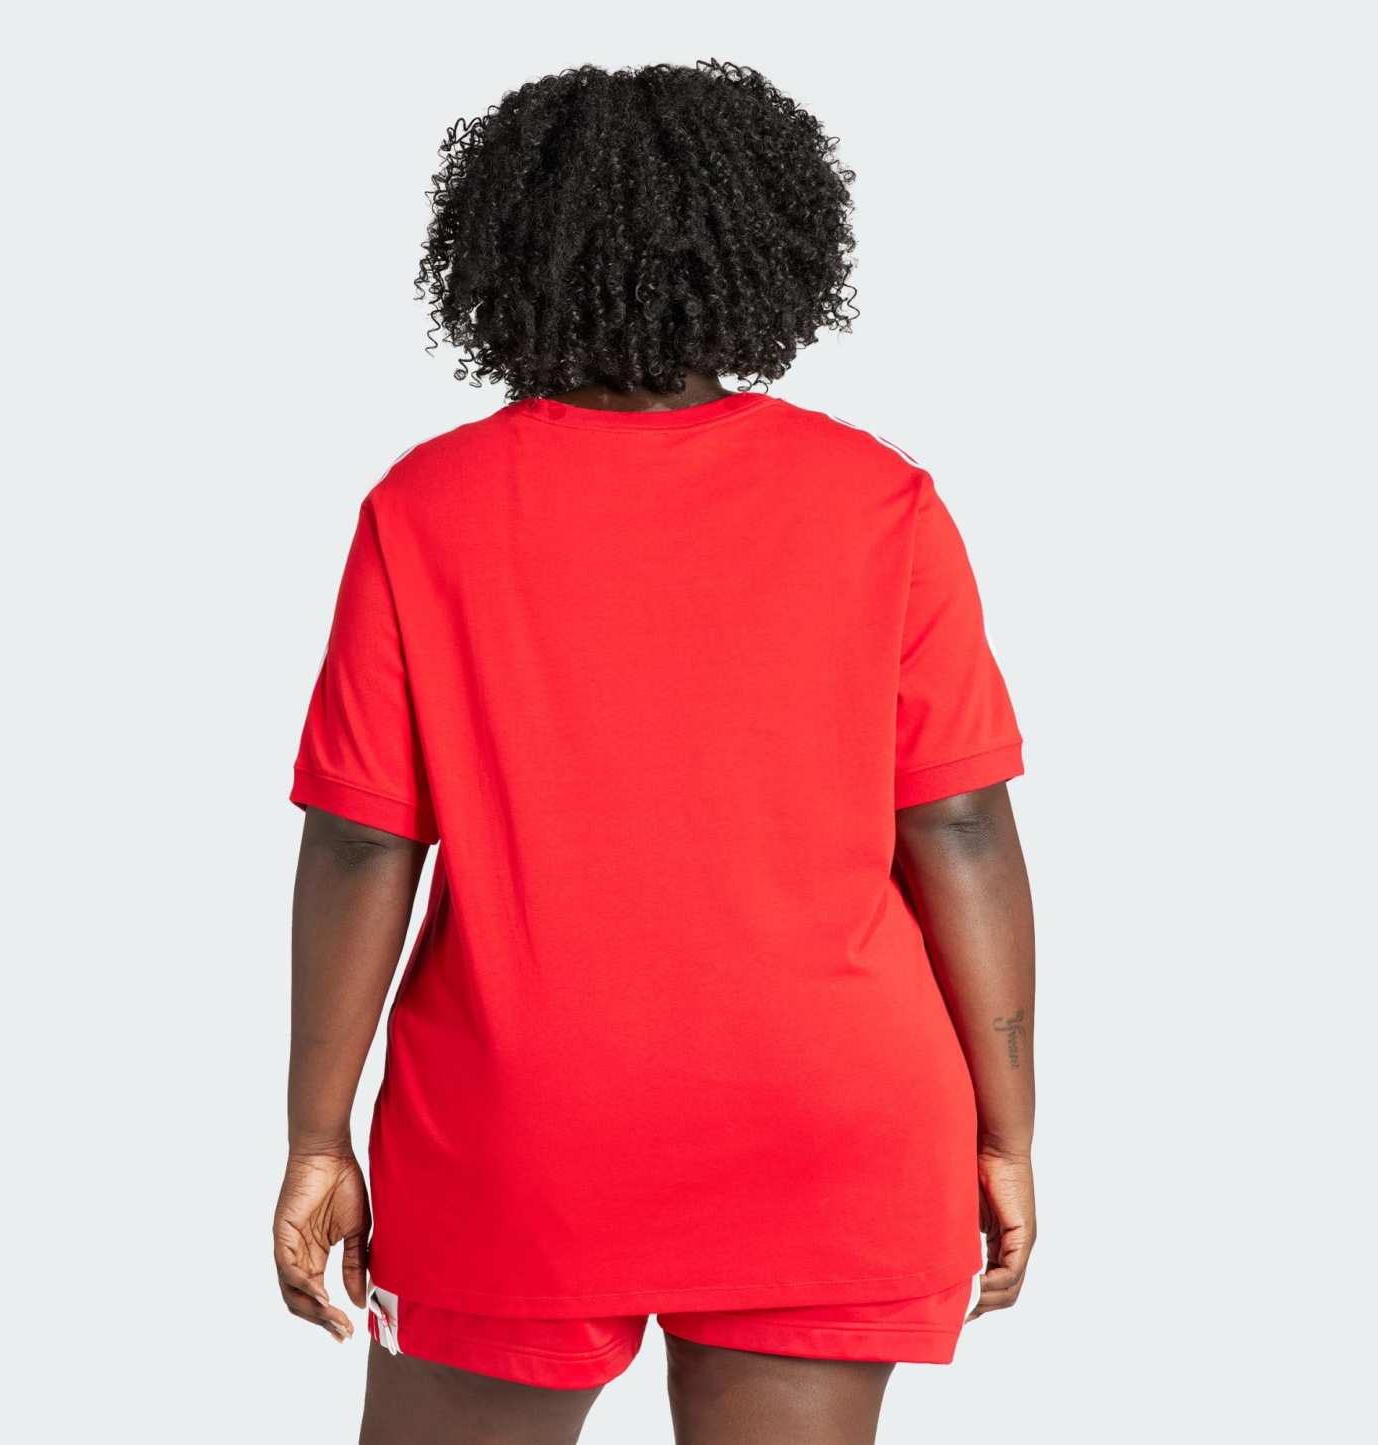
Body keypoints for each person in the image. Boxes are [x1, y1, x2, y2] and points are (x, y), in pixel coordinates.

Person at [274, 59, 1036, 1445]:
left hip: (517, 1119)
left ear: (504, 254)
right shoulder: (879, 499)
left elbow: (363, 839)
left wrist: (317, 1136)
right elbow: (962, 825)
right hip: (827, 1113)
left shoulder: (426, 507)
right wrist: (1005, 1130)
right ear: (770, 249)